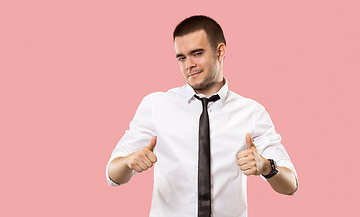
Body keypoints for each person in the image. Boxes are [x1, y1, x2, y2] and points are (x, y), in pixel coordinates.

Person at [106, 15, 298, 217]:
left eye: (197, 53)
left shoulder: (251, 112)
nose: (188, 64)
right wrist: (128, 162)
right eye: (182, 57)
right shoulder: (156, 105)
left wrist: (267, 167)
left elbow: (290, 185)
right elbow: (113, 174)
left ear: (220, 51)